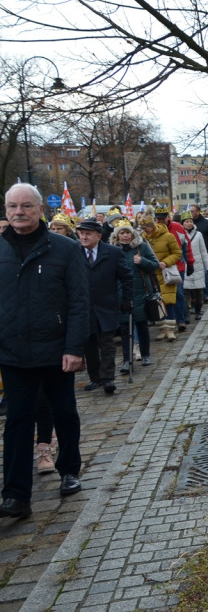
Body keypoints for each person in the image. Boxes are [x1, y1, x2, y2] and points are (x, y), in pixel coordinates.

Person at [1, 183, 89, 518]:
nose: (18, 212)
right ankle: (16, 495)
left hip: (56, 350)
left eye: (25, 206)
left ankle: (69, 470)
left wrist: (74, 347)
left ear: (40, 209)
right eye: (12, 206)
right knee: (17, 421)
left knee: (64, 413)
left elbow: (80, 302)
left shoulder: (65, 249)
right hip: (13, 352)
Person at [77, 218, 133, 395]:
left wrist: (127, 300)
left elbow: (127, 277)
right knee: (89, 345)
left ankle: (108, 378)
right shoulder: (74, 252)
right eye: (81, 233)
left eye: (88, 234)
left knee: (107, 343)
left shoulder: (113, 252)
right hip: (84, 308)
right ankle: (96, 378)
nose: (84, 237)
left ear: (99, 236)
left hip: (106, 305)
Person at [113, 219, 159, 371]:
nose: (125, 236)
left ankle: (145, 354)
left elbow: (155, 265)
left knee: (141, 325)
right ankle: (127, 359)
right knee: (125, 328)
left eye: (127, 233)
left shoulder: (142, 247)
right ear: (117, 235)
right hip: (121, 293)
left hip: (141, 292)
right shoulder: (112, 250)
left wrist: (142, 261)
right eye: (122, 233)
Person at [140, 213, 183, 343]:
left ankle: (170, 330)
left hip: (165, 273)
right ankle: (162, 329)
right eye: (142, 228)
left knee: (168, 301)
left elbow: (177, 253)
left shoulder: (168, 236)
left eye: (146, 227)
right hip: (151, 275)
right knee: (156, 302)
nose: (145, 231)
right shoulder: (142, 239)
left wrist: (166, 262)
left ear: (152, 226)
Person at [182, 212, 208, 321]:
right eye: (186, 221)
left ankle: (198, 311)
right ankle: (186, 313)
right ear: (183, 223)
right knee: (185, 292)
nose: (189, 223)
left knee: (198, 291)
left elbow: (203, 251)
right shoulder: (180, 234)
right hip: (185, 266)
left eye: (190, 221)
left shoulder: (198, 234)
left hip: (198, 265)